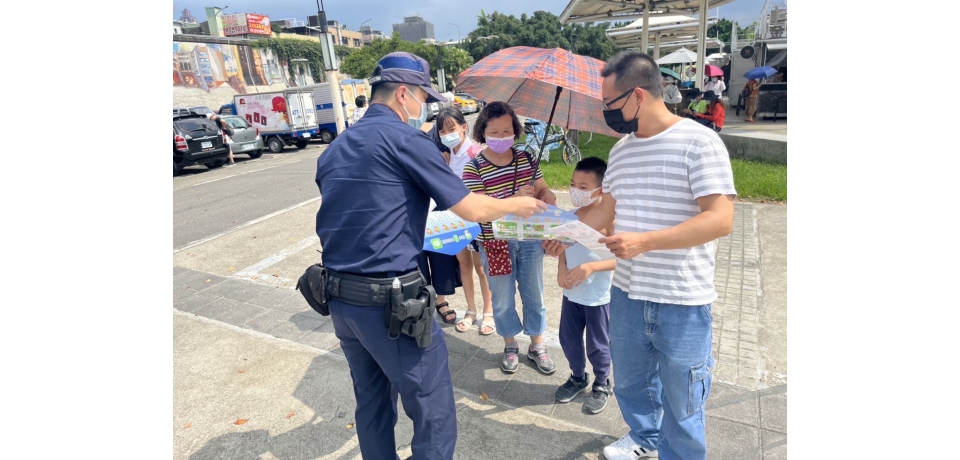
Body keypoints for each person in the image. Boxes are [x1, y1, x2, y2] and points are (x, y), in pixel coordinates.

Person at [314, 52, 547, 460]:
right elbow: (471, 208)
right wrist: (514, 204)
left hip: (338, 297)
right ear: (404, 94)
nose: (426, 106)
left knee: (371, 403)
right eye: (423, 95)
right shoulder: (406, 140)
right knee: (433, 411)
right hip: (390, 302)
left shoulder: (338, 146)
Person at [586, 49, 736, 460]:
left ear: (637, 95)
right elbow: (605, 211)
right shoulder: (621, 151)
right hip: (628, 292)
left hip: (682, 298)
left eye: (609, 103)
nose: (606, 112)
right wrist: (560, 230)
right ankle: (644, 438)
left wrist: (645, 241)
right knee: (632, 384)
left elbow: (721, 219)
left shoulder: (699, 142)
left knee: (684, 401)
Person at [461, 101, 559, 376]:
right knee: (502, 299)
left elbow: (541, 189)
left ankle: (537, 345)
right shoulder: (474, 168)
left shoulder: (526, 159)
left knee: (534, 295)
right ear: (483, 132)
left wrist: (547, 196)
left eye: (507, 131)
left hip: (529, 240)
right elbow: (479, 209)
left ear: (516, 131)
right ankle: (510, 344)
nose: (501, 137)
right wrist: (513, 200)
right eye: (495, 131)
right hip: (495, 243)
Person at [553, 157, 617, 415]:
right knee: (567, 338)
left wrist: (591, 267)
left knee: (598, 344)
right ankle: (578, 376)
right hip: (572, 293)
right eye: (572, 185)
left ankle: (602, 382)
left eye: (583, 187)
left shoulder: (609, 219)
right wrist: (561, 270)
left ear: (600, 190)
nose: (575, 191)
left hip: (598, 297)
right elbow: (562, 249)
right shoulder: (571, 216)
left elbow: (619, 259)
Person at [433, 107, 496, 336]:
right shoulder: (447, 156)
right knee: (464, 266)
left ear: (463, 127)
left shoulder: (476, 153)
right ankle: (471, 311)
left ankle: (488, 313)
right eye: (442, 131)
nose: (448, 134)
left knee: (481, 268)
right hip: (455, 220)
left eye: (451, 128)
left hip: (477, 220)